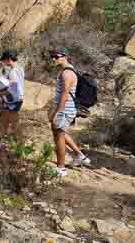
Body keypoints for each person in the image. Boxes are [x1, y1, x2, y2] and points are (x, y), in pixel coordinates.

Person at [49, 48, 91, 176]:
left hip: (64, 110)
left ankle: (61, 168)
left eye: (56, 56)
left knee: (58, 138)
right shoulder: (67, 71)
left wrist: (57, 112)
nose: (53, 59)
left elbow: (65, 94)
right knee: (61, 133)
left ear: (64, 56)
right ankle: (80, 156)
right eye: (52, 56)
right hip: (66, 109)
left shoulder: (66, 73)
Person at [0, 49, 25, 148]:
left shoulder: (12, 72)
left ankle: (21, 146)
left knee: (14, 124)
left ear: (8, 59)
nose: (3, 62)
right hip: (16, 100)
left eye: (3, 60)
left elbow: (11, 89)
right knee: (4, 121)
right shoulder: (20, 68)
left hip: (13, 101)